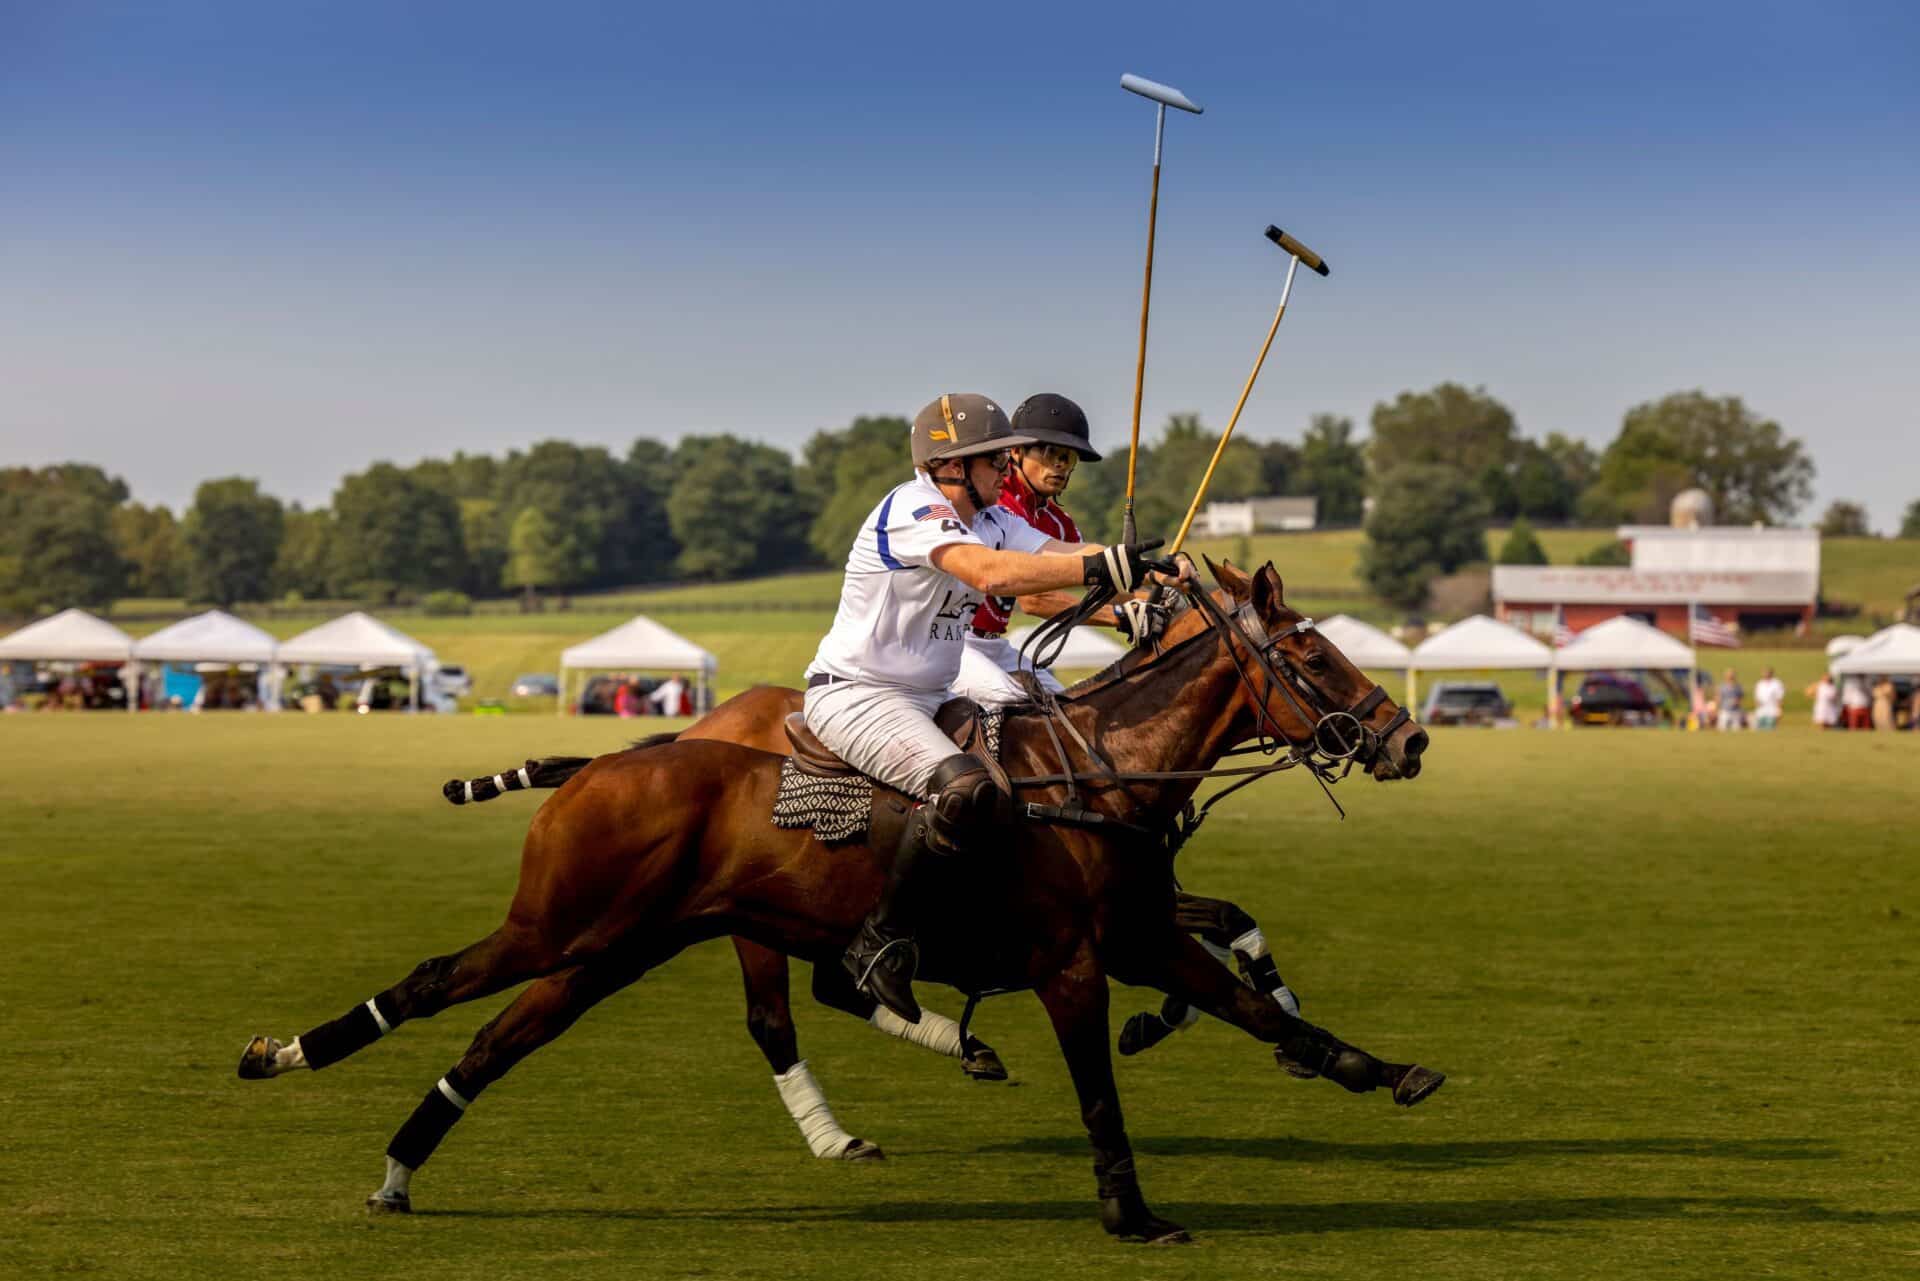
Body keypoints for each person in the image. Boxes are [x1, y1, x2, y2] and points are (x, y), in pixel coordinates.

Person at [803, 393, 1171, 1024]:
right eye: (994, 459)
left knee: (1032, 765)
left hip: (931, 696)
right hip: (858, 694)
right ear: (951, 465)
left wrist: (1151, 571)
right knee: (967, 789)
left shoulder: (995, 516)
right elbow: (993, 576)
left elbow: (1049, 557)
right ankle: (879, 942)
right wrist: (1101, 570)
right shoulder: (912, 506)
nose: (1008, 468)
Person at [951, 393, 1162, 706]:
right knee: (1018, 705)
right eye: (1052, 453)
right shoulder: (1000, 503)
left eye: (1068, 458)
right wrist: (1119, 617)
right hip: (955, 644)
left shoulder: (1059, 523)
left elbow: (1101, 580)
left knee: (1066, 711)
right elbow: (1034, 599)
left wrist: (1156, 594)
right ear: (1017, 451)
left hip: (995, 646)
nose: (1061, 466)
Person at [1752, 667, 1785, 731]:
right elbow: (1756, 698)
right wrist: (1756, 707)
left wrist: (1779, 709)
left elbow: (1779, 698)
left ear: (1771, 673)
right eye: (1764, 673)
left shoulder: (1776, 683)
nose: (1765, 674)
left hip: (1772, 709)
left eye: (1767, 673)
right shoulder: (1759, 684)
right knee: (1759, 728)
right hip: (1761, 710)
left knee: (1770, 728)